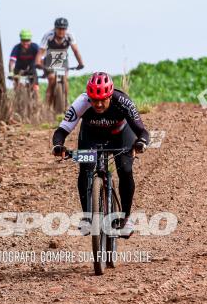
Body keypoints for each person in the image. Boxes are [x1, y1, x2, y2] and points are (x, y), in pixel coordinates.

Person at [51, 72, 148, 236]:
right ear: (89, 96)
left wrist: (141, 143)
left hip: (121, 136)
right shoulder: (82, 102)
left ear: (110, 95)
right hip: (91, 137)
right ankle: (87, 217)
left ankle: (125, 218)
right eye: (95, 100)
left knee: (125, 170)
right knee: (86, 168)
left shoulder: (122, 101)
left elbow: (142, 131)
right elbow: (62, 130)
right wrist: (58, 146)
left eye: (103, 99)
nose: (99, 104)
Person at [35, 17, 84, 108]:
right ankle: (47, 105)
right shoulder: (48, 35)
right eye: (59, 29)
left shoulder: (69, 36)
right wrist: (38, 62)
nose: (61, 31)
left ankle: (65, 101)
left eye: (63, 29)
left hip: (62, 58)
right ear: (55, 28)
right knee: (52, 79)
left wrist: (80, 63)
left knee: (65, 79)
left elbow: (75, 50)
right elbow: (41, 51)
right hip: (50, 58)